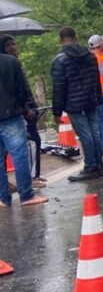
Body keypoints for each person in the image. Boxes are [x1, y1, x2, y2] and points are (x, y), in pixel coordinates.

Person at [51, 26, 103, 182]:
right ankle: (99, 164)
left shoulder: (60, 60)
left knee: (85, 135)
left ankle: (90, 166)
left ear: (60, 39)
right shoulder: (90, 56)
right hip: (91, 100)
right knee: (95, 133)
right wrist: (98, 98)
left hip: (74, 103)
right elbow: (96, 79)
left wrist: (57, 111)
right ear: (76, 36)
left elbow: (59, 87)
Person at [0, 35, 47, 207]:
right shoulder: (11, 62)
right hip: (11, 115)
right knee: (19, 154)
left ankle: (3, 197)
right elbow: (21, 89)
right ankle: (26, 195)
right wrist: (26, 108)